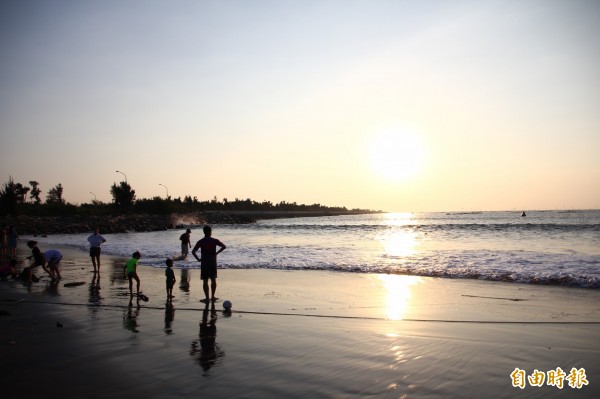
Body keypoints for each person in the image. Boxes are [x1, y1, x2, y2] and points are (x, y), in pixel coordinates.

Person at [192, 225, 226, 303]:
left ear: (204, 232)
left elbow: (193, 251)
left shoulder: (200, 241)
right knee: (213, 280)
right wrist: (216, 253)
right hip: (212, 262)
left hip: (204, 263)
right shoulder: (214, 240)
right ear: (210, 232)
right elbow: (224, 246)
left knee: (205, 281)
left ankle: (207, 298)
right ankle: (213, 296)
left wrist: (198, 259)